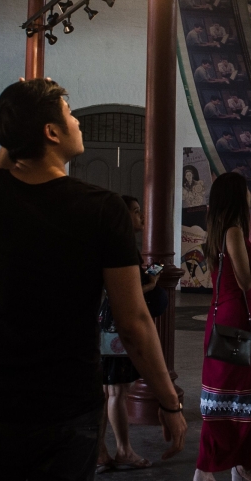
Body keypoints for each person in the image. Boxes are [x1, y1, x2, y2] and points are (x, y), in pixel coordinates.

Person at [0, 79, 186, 480]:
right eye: (69, 114)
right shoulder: (102, 210)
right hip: (65, 407)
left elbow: (2, 170)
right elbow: (133, 322)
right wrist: (169, 402)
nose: (78, 121)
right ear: (51, 132)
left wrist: (21, 112)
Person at [195, 173, 251, 481]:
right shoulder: (233, 231)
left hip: (226, 316)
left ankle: (241, 467)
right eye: (246, 190)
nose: (249, 194)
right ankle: (210, 470)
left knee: (230, 393)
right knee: (244, 392)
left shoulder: (220, 230)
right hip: (237, 320)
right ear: (236, 195)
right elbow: (245, 281)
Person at [97, 196, 160, 474]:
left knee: (108, 390)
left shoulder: (112, 244)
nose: (141, 216)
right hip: (115, 324)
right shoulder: (119, 247)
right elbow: (119, 293)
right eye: (136, 212)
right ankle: (122, 450)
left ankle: (101, 451)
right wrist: (150, 284)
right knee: (116, 390)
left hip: (107, 322)